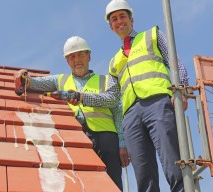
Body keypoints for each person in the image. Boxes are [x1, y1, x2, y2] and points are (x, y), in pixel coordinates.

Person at [78, 0, 189, 191]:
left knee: (173, 162)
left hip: (158, 103)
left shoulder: (152, 36)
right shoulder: (114, 61)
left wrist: (183, 89)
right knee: (143, 174)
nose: (119, 21)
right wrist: (81, 97)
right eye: (114, 19)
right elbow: (111, 98)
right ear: (111, 26)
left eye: (122, 16)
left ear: (131, 19)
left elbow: (176, 63)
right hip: (131, 117)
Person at [14, 36, 129, 191]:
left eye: (81, 54)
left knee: (112, 183)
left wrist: (122, 144)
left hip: (107, 138)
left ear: (89, 56)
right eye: (72, 57)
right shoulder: (60, 80)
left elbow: (117, 110)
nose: (77, 60)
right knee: (82, 182)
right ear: (67, 61)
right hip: (78, 138)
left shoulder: (106, 80)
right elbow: (35, 83)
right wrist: (24, 75)